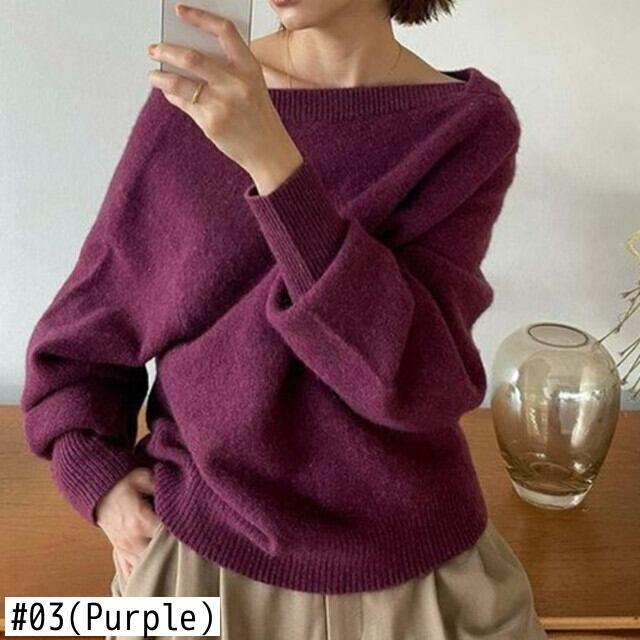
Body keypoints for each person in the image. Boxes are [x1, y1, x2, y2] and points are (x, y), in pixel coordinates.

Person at [20, 0, 549, 637]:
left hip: (417, 577)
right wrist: (98, 481)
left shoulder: (467, 127)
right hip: (198, 558)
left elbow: (411, 379)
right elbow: (85, 339)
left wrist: (273, 160)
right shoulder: (197, 97)